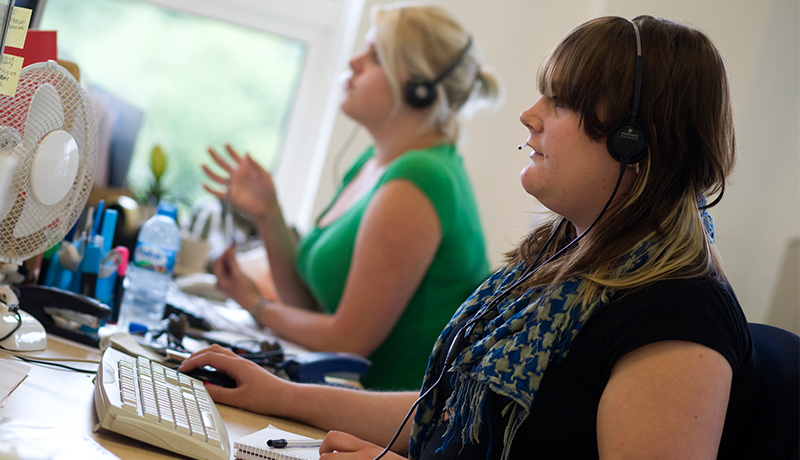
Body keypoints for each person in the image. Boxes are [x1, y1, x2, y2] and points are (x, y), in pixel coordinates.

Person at [182, 15, 758, 459]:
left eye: (560, 101)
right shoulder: (554, 266)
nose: (530, 115)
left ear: (633, 141)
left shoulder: (678, 312)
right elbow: (446, 417)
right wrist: (277, 394)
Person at [201, 3, 500, 390]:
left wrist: (255, 304)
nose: (354, 62)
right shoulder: (376, 163)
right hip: (340, 396)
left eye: (375, 56)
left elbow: (347, 341)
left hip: (378, 428)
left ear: (419, 89)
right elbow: (309, 310)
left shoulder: (419, 181)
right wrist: (268, 215)